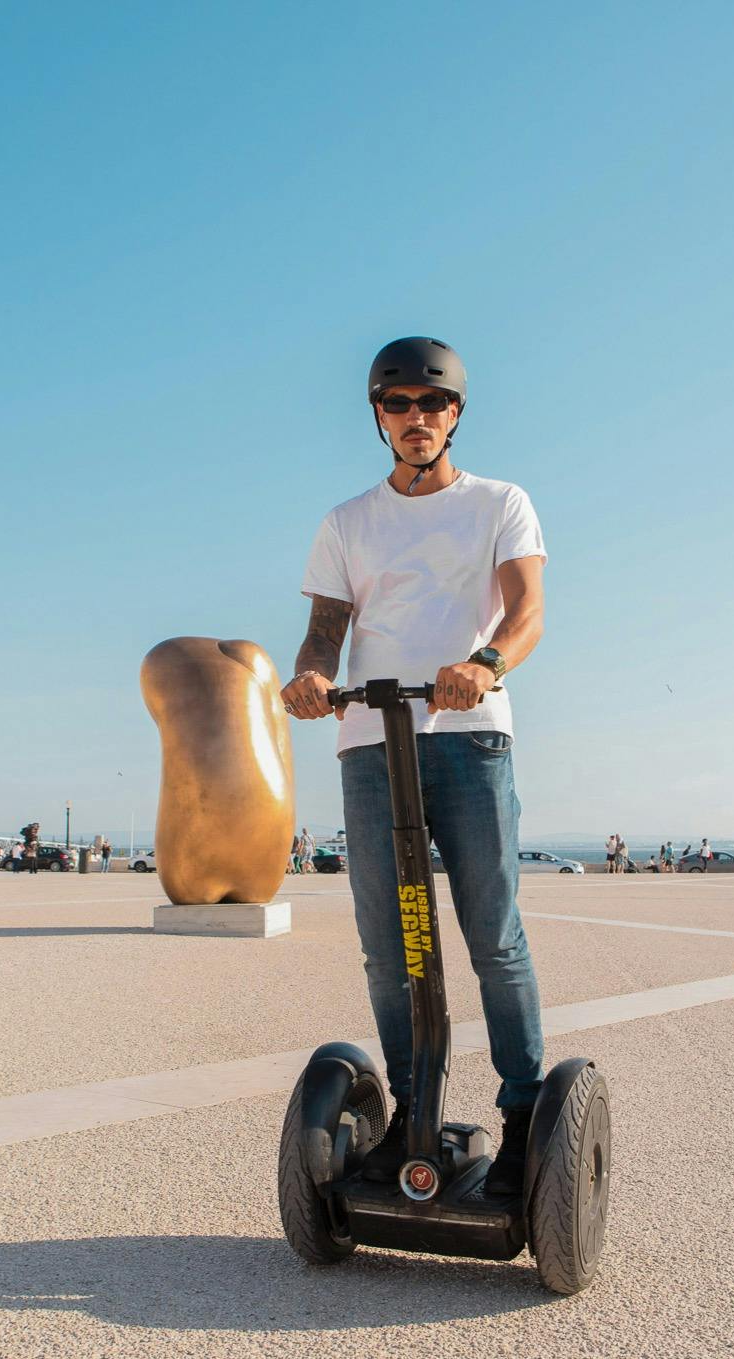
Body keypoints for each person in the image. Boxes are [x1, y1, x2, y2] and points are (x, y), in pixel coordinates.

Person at [281, 335, 547, 1198]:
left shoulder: (500, 502)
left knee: (491, 935)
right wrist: (314, 674)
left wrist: (486, 665)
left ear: (455, 414)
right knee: (387, 948)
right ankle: (411, 1107)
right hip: (369, 742)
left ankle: (522, 1114)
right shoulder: (347, 521)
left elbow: (527, 610)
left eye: (431, 404)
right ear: (378, 416)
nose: (415, 417)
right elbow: (326, 628)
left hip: (470, 737)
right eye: (397, 404)